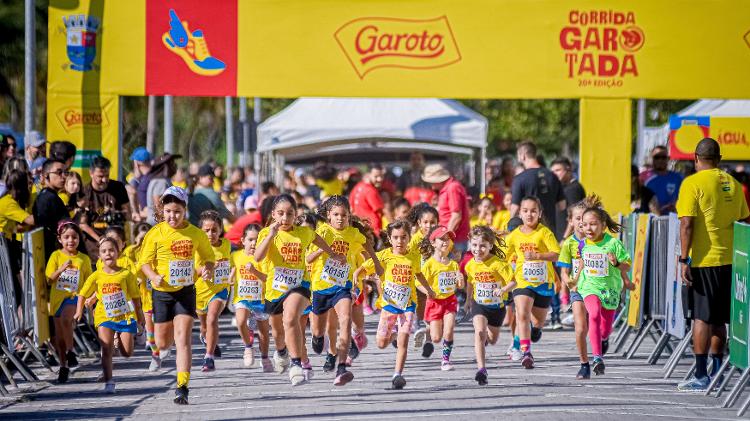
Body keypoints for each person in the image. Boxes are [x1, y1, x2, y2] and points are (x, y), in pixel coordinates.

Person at [676, 138, 750, 391]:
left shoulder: (692, 183)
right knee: (719, 319)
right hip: (732, 260)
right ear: (719, 159)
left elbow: (686, 223)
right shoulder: (734, 183)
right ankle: (718, 372)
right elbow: (745, 220)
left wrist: (684, 259)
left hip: (705, 260)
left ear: (696, 158)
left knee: (701, 318)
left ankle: (700, 374)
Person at [254, 194, 345, 386]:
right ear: (273, 214)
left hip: (299, 286)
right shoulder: (266, 233)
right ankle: (281, 352)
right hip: (275, 290)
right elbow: (258, 257)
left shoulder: (303, 233)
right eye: (280, 213)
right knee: (278, 333)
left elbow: (317, 239)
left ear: (296, 215)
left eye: (290, 214)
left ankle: (296, 365)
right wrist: (270, 235)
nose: (285, 218)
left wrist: (333, 254)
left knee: (291, 318)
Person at [138, 186, 215, 405]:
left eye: (177, 212)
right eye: (169, 211)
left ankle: (182, 386)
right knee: (163, 343)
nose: (173, 216)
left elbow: (208, 257)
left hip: (185, 291)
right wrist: (153, 276)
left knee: (183, 339)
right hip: (162, 294)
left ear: (185, 210)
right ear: (162, 211)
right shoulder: (155, 233)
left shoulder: (195, 233)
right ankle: (161, 349)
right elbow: (144, 263)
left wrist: (208, 267)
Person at [308, 195, 382, 385]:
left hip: (342, 286)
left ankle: (341, 367)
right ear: (328, 216)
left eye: (344, 215)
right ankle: (317, 339)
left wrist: (375, 262)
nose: (340, 218)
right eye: (336, 215)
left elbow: (366, 243)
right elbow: (308, 259)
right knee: (318, 330)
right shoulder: (322, 232)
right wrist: (325, 251)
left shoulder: (352, 233)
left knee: (346, 320)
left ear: (349, 217)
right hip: (321, 287)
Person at [354, 220, 435, 390]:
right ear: (390, 239)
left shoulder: (413, 256)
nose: (400, 241)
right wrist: (356, 275)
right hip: (389, 306)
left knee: (404, 340)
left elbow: (419, 275)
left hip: (408, 305)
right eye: (396, 238)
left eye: (404, 237)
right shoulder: (384, 256)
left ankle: (398, 374)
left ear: (409, 237)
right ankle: (393, 335)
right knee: (381, 343)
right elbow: (364, 268)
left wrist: (428, 290)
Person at [74, 236, 144, 394]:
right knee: (106, 349)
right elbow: (82, 294)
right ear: (99, 255)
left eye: (111, 250)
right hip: (104, 317)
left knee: (127, 353)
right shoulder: (96, 276)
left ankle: (119, 338)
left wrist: (140, 317)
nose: (108, 253)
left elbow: (135, 298)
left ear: (118, 253)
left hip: (124, 317)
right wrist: (79, 311)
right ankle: (109, 381)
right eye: (104, 251)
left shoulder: (126, 275)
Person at [575, 196, 632, 376]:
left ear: (603, 225)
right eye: (585, 225)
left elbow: (627, 265)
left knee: (605, 328)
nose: (588, 228)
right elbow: (582, 263)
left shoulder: (613, 243)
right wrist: (575, 280)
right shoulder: (583, 244)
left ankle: (603, 338)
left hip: (610, 290)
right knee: (593, 313)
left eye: (593, 224)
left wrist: (615, 263)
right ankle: (597, 357)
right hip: (589, 288)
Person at [504, 196, 560, 369]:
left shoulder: (544, 233)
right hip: (522, 281)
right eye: (526, 211)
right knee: (522, 313)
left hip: (543, 283)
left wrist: (538, 256)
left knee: (537, 322)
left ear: (540, 213)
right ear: (520, 213)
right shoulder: (514, 236)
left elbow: (557, 254)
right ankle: (526, 352)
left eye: (533, 211)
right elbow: (503, 258)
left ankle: (535, 331)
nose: (529, 214)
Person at [464, 225, 515, 385]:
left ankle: (487, 339)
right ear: (470, 244)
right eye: (474, 245)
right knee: (479, 332)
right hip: (479, 305)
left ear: (490, 246)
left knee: (492, 340)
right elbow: (470, 283)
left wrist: (503, 289)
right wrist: (467, 301)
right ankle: (481, 369)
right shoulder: (470, 265)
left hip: (497, 308)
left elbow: (513, 281)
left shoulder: (498, 264)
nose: (478, 249)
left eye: (482, 246)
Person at [45, 220, 92, 383]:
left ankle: (71, 351)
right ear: (60, 239)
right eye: (66, 237)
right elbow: (49, 278)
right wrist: (61, 268)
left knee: (67, 320)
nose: (71, 241)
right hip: (57, 299)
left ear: (79, 239)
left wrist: (89, 298)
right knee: (59, 339)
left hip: (73, 299)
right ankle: (64, 366)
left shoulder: (83, 259)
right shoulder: (56, 256)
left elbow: (89, 281)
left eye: (74, 237)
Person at [419, 226, 464, 369]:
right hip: (434, 303)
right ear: (433, 243)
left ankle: (445, 360)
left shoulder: (453, 264)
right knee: (436, 338)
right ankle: (426, 331)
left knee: (449, 330)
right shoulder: (429, 264)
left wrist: (460, 279)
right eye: (442, 239)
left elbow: (460, 286)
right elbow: (417, 282)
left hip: (450, 301)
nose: (446, 242)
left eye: (448, 239)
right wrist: (428, 290)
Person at [556, 200, 591, 379]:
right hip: (578, 289)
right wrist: (568, 281)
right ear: (571, 221)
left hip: (598, 289)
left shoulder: (599, 241)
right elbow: (564, 271)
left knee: (597, 327)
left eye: (585, 218)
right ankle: (584, 364)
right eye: (578, 218)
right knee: (580, 327)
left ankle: (602, 340)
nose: (581, 222)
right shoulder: (569, 244)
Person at [231, 224, 273, 371]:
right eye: (250, 239)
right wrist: (230, 278)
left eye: (257, 240)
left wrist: (254, 271)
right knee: (240, 320)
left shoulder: (264, 258)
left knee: (263, 332)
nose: (254, 243)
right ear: (243, 240)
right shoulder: (235, 256)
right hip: (242, 299)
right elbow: (231, 272)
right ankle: (248, 347)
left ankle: (265, 357)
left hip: (260, 300)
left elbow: (268, 278)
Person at [195, 211, 232, 372]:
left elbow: (232, 261)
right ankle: (208, 339)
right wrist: (205, 269)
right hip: (200, 292)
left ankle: (208, 357)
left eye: (214, 230)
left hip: (220, 291)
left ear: (220, 230)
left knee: (212, 320)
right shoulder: (198, 248)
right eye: (206, 231)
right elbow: (194, 268)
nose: (211, 234)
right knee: (204, 327)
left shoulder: (226, 245)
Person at [78, 156, 131, 261]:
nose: (105, 179)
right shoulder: (84, 192)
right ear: (91, 173)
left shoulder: (118, 187)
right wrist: (101, 239)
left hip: (117, 243)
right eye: (100, 176)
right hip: (94, 245)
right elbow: (82, 224)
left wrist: (121, 216)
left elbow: (128, 213)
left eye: (107, 175)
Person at [511, 142, 565, 236]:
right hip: (549, 232)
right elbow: (562, 205)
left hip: (528, 235)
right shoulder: (552, 176)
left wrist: (510, 225)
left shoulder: (520, 178)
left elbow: (515, 208)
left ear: (523, 156)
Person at [0, 170, 34, 308]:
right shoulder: (8, 203)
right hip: (3, 245)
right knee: (8, 288)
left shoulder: (8, 200)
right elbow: (30, 220)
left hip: (7, 242)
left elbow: (19, 226)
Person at [422, 163, 471, 257]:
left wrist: (445, 237)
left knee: (451, 269)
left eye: (431, 182)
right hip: (453, 239)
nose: (430, 185)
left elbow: (456, 216)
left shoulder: (452, 188)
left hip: (456, 241)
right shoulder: (449, 187)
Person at [33, 159, 71, 261]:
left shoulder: (51, 196)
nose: (63, 176)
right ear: (45, 175)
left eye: (65, 172)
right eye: (59, 172)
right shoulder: (48, 198)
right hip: (49, 256)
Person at [550, 157, 586, 238]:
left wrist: (565, 238)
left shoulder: (573, 189)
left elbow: (576, 216)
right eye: (553, 171)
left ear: (568, 170)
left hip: (570, 240)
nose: (555, 174)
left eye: (558, 170)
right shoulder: (564, 188)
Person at [642, 146, 683, 215]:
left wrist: (676, 205)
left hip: (672, 219)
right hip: (650, 219)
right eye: (657, 157)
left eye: (663, 157)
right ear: (652, 158)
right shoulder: (643, 177)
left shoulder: (678, 177)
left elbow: (683, 198)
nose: (660, 160)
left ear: (668, 159)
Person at [142, 153, 181, 224]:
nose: (175, 166)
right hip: (156, 223)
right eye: (172, 163)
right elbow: (158, 204)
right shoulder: (161, 182)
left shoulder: (162, 180)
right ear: (165, 166)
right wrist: (163, 224)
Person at [349, 163, 385, 236]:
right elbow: (380, 211)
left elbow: (351, 209)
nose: (380, 179)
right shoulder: (370, 190)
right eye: (376, 176)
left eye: (381, 176)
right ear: (368, 175)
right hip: (373, 231)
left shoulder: (357, 187)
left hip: (360, 230)